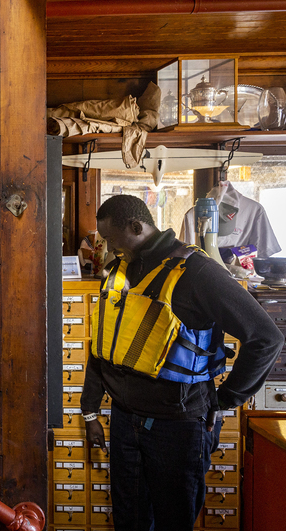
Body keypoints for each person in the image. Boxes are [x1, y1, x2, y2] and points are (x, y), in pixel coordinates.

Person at [81, 194, 284, 531]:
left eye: (116, 243)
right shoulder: (120, 270)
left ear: (137, 226)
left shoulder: (197, 273)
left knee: (174, 522)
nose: (113, 251)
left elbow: (266, 338)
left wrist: (225, 400)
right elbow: (103, 343)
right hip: (125, 422)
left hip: (177, 428)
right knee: (129, 522)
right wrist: (90, 409)